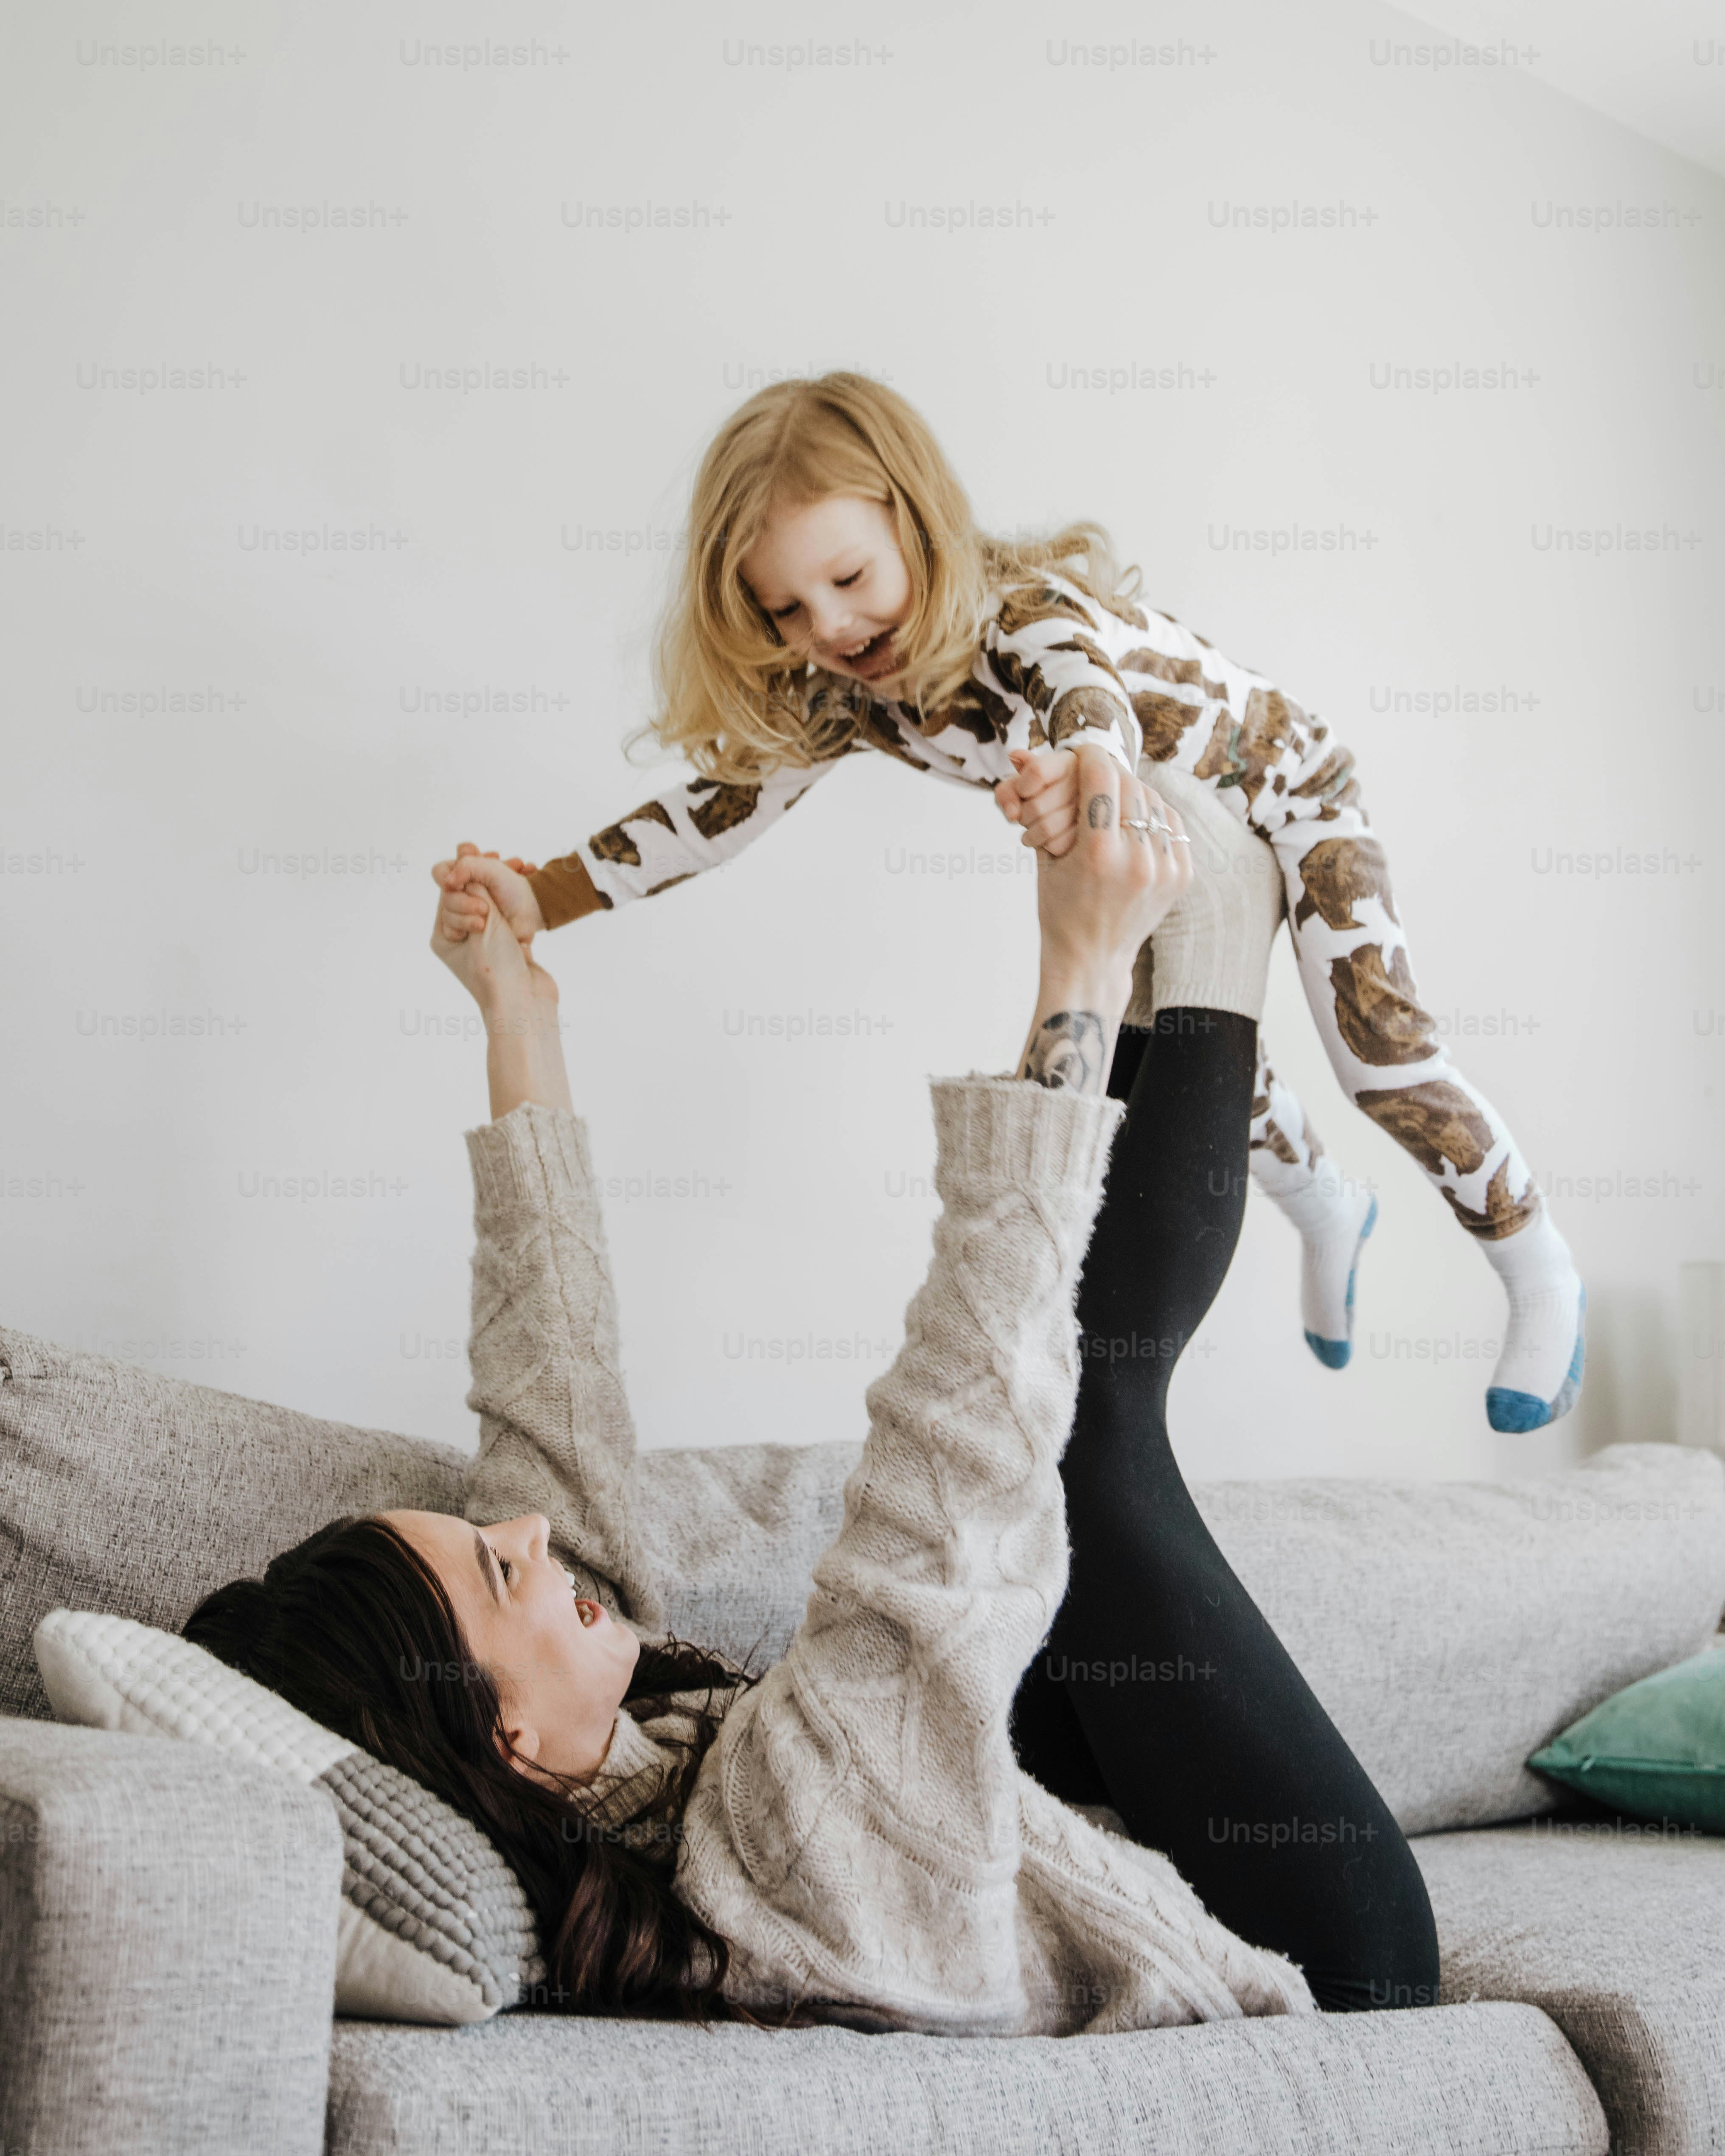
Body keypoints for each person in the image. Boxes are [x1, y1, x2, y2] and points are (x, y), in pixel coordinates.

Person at [185, 743, 1437, 2030]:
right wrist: (1078, 969)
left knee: (1057, 1497)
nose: (524, 1531)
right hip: (1330, 1953)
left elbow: (546, 1379)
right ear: (505, 1741)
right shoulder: (768, 1851)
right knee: (1076, 1449)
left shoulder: (602, 1750)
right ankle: (1206, 931)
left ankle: (1168, 953)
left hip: (1083, 1831)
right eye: (501, 1571)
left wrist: (514, 1009)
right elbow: (949, 1465)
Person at [434, 373, 1583, 1429]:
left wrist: (1078, 770)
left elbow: (1092, 703)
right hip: (1153, 834)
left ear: (915, 520)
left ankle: (1538, 1272)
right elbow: (721, 806)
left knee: (1377, 1048)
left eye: (846, 579)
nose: (828, 629)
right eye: (783, 610)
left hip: (1286, 792)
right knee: (1204, 1067)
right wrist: (545, 895)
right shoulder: (851, 696)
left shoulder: (1021, 612)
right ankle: (1327, 1206)